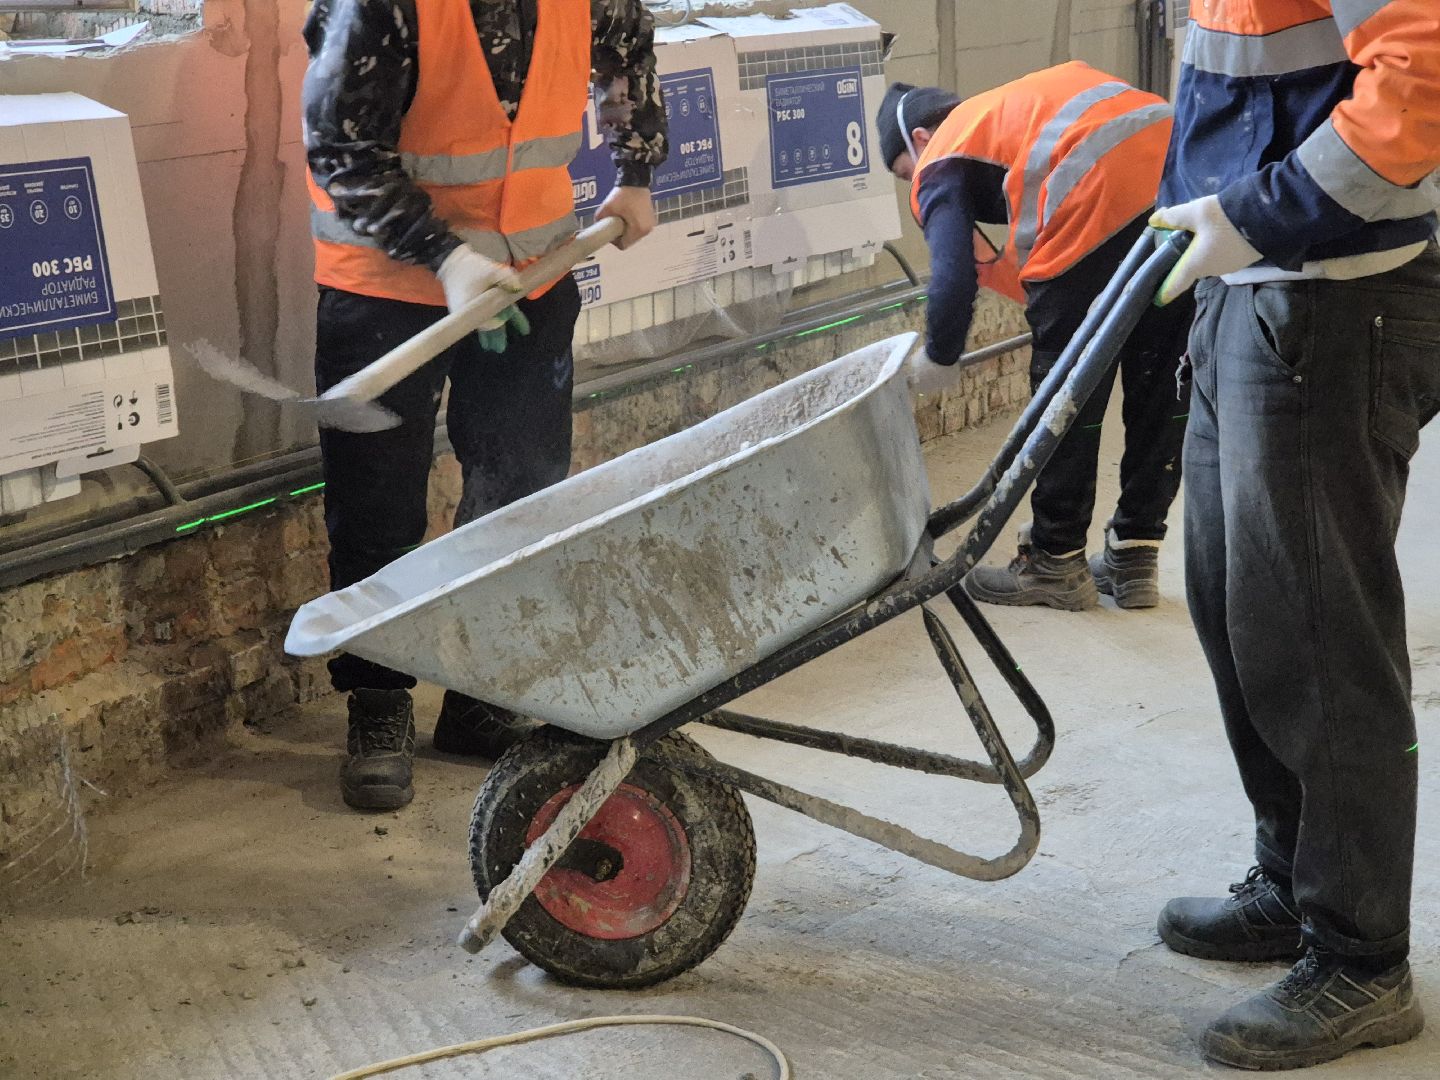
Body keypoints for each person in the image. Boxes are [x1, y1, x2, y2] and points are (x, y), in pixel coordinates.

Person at [1149, 1, 1440, 1069]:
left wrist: (1265, 211)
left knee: (1322, 636)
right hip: (1254, 283)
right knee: (1243, 613)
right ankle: (1292, 882)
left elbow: (1423, 65)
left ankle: (1361, 960)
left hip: (1334, 298)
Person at [301, 0, 667, 811]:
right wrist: (445, 258)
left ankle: (480, 693)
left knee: (521, 488)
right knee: (377, 503)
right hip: (385, 284)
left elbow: (629, 46)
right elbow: (340, 151)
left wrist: (635, 171)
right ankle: (379, 702)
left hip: (532, 273)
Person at [878, 65, 1194, 612]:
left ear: (920, 140)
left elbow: (952, 270)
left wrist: (941, 352)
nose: (917, 185)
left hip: (1094, 194)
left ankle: (1055, 559)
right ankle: (1134, 554)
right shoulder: (1015, 110)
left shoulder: (945, 150)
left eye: (906, 173)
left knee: (1068, 392)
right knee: (1160, 379)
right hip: (1183, 177)